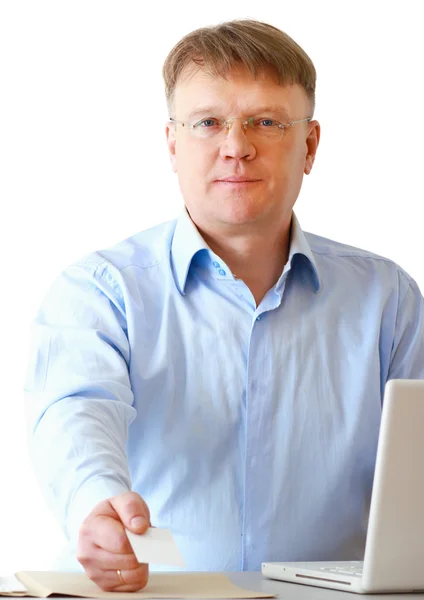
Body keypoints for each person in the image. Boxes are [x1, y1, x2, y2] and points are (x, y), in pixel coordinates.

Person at [25, 18, 424, 593]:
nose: (236, 147)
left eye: (265, 121)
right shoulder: (101, 291)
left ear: (309, 145)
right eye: (208, 122)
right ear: (172, 143)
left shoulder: (388, 300)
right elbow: (74, 412)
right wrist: (95, 502)